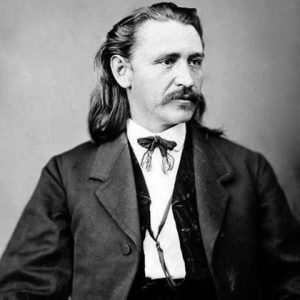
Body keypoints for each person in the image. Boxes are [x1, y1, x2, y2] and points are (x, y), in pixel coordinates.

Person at [0, 2, 299, 300]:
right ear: (122, 71)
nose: (187, 79)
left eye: (194, 61)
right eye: (168, 61)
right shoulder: (66, 176)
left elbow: (292, 282)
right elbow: (22, 290)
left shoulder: (248, 169)